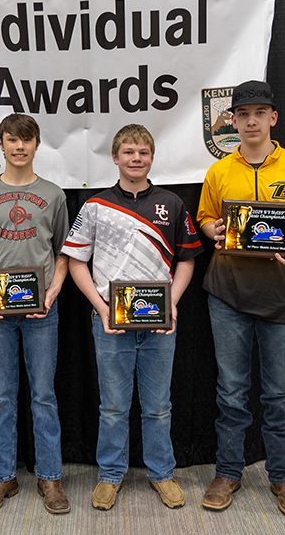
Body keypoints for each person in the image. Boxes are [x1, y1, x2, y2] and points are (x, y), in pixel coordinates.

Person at [196, 81, 285, 518]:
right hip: (228, 292)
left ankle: (283, 476)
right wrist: (214, 230)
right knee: (231, 392)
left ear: (273, 118)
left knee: (280, 393)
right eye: (243, 114)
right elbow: (205, 217)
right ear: (232, 121)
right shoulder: (219, 171)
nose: (251, 121)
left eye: (259, 113)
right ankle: (228, 472)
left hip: (282, 295)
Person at [63, 124, 203, 511]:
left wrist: (172, 303)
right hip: (109, 322)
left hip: (160, 324)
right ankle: (110, 475)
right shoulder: (95, 205)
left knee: (159, 406)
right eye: (128, 152)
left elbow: (188, 260)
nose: (135, 159)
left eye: (142, 152)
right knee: (112, 406)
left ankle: (162, 473)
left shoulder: (172, 203)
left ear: (152, 158)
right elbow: (76, 262)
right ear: (115, 158)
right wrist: (101, 306)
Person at [0, 114, 71, 515]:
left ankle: (50, 476)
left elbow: (64, 251)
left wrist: (55, 288)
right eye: (12, 140)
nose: (19, 147)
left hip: (42, 309)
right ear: (2, 144)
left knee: (43, 396)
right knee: (3, 397)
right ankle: (2, 476)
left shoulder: (54, 194)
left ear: (37, 145)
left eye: (26, 140)